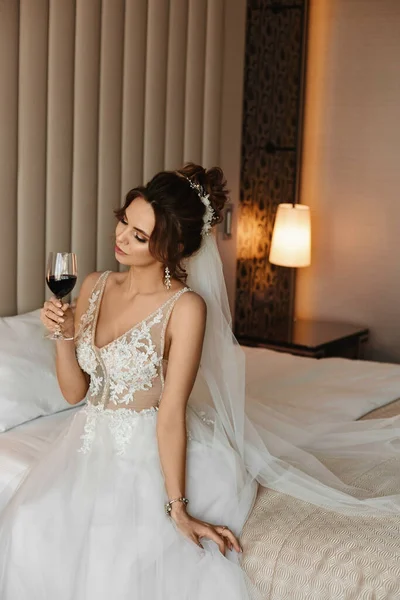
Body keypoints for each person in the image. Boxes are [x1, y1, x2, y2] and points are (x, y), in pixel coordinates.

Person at [0, 163, 399, 599]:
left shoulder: (185, 308)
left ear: (170, 248)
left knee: (119, 559)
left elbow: (171, 411)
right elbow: (76, 393)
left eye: (139, 236)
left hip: (151, 448)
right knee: (29, 522)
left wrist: (178, 509)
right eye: (124, 221)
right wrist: (63, 336)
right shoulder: (95, 285)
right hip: (87, 441)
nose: (121, 237)